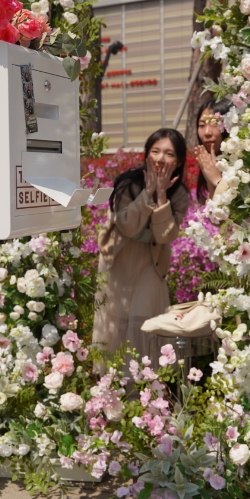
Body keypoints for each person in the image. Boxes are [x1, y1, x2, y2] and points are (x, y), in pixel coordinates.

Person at [95, 128, 190, 361]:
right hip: (120, 260)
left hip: (150, 262)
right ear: (146, 155)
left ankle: (143, 387)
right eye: (155, 151)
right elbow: (128, 227)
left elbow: (165, 235)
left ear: (177, 162)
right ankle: (113, 386)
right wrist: (147, 192)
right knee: (115, 324)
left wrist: (161, 196)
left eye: (168, 154)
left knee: (144, 322)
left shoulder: (179, 195)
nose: (160, 159)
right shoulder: (127, 184)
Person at [192, 98, 233, 201]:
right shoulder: (208, 165)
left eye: (214, 124)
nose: (207, 132)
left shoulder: (245, 161)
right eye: (201, 125)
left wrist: (217, 181)